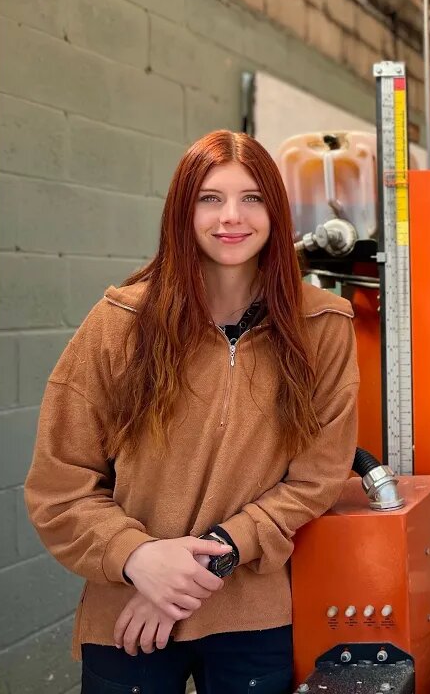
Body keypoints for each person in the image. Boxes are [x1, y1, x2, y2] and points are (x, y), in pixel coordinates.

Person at [24, 130, 360, 693]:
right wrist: (139, 559)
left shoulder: (322, 328)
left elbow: (316, 478)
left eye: (252, 198)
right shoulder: (120, 323)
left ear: (276, 212)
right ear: (183, 211)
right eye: (211, 198)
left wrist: (209, 562)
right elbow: (60, 486)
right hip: (129, 616)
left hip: (249, 617)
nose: (232, 216)